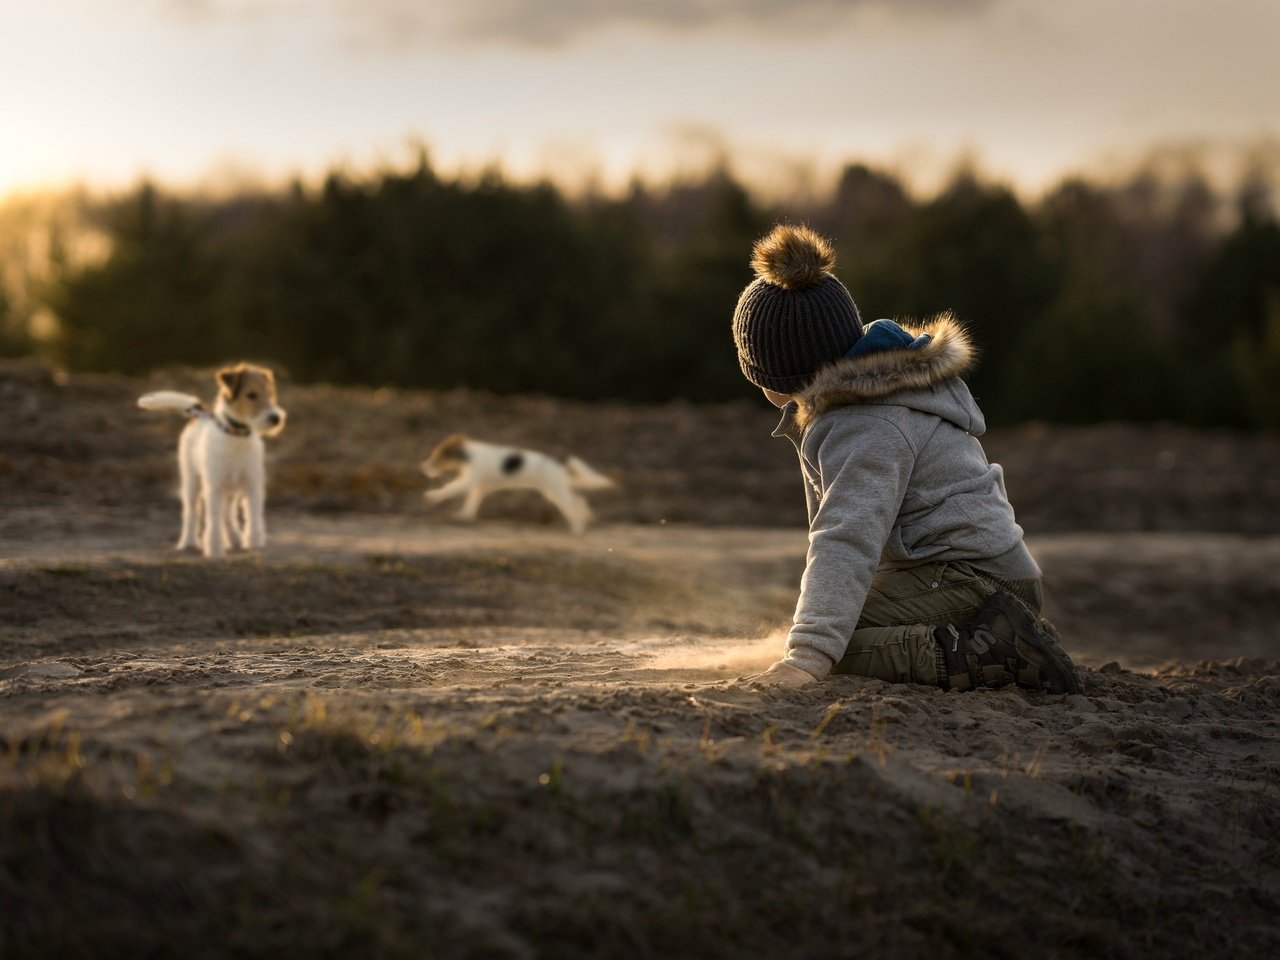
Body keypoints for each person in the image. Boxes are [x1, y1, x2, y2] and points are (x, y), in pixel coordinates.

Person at [730, 223, 1080, 693]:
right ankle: (1005, 629)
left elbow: (846, 536)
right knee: (824, 627)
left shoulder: (869, 427)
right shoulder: (855, 404)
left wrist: (808, 657)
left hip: (972, 576)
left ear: (780, 371)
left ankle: (999, 650)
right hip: (968, 572)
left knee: (835, 648)